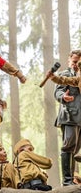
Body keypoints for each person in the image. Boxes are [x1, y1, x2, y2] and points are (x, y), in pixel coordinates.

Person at [46, 50, 81, 186]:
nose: (76, 65)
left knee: (76, 149)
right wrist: (63, 97)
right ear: (69, 61)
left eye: (79, 62)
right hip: (70, 116)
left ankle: (72, 178)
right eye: (74, 62)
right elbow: (58, 91)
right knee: (68, 147)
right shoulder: (64, 74)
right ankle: (67, 181)